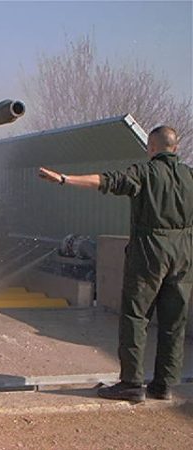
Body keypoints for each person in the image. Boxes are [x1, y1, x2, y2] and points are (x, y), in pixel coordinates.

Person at [39, 125, 192, 403]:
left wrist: (64, 179)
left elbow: (106, 181)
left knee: (136, 317)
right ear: (176, 148)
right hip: (183, 253)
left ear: (152, 147)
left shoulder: (145, 172)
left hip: (149, 250)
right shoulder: (189, 175)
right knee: (174, 323)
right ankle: (164, 386)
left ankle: (132, 384)